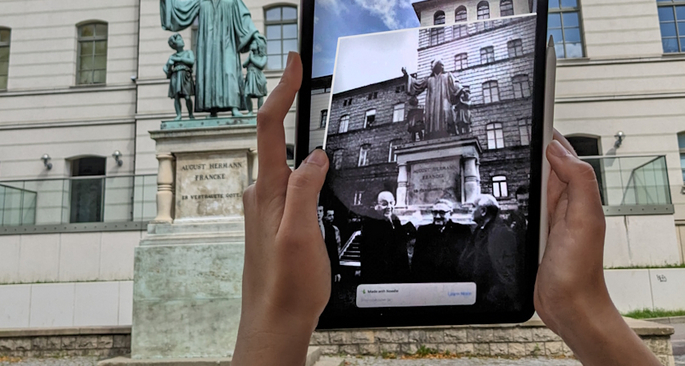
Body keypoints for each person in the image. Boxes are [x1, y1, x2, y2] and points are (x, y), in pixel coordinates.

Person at [232, 52, 662, 366]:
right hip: (429, 123)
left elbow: (460, 93)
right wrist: (408, 77)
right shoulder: (427, 83)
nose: (437, 70)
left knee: (442, 123)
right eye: (435, 68)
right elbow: (414, 89)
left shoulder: (450, 80)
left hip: (447, 121)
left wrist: (272, 333)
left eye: (439, 68)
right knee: (429, 124)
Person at [154, 0, 265, 117]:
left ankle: (234, 107)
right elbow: (180, 8)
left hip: (227, 45)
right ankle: (212, 109)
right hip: (207, 48)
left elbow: (245, 20)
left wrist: (256, 35)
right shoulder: (201, 2)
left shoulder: (232, 0)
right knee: (209, 74)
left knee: (229, 73)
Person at [459, 194, 519, 309]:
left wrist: (490, 298)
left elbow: (507, 274)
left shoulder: (503, 233)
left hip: (492, 302)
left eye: (473, 207)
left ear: (483, 211)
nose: (470, 210)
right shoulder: (479, 231)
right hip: (476, 295)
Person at [358, 191, 414, 283]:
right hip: (379, 275)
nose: (389, 207)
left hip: (396, 273)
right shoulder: (370, 222)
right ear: (377, 205)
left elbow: (400, 241)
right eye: (384, 204)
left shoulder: (395, 219)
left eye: (391, 203)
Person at [412, 199, 472, 282]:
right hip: (429, 281)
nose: (437, 216)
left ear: (450, 213)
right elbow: (416, 260)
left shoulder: (462, 231)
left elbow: (467, 260)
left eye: (442, 213)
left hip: (453, 281)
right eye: (434, 212)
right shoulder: (424, 231)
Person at [406, 59, 463, 139]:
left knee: (446, 115)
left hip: (444, 102)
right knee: (431, 117)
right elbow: (417, 85)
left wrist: (459, 90)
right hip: (431, 106)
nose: (432, 67)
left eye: (434, 65)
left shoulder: (447, 75)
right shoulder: (429, 79)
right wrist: (407, 76)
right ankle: (431, 134)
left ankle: (448, 132)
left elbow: (456, 85)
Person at [163, 34, 195, 121]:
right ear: (175, 44)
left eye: (181, 39)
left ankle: (190, 114)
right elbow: (166, 69)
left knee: (187, 96)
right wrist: (169, 65)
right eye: (179, 40)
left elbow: (191, 61)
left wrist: (179, 59)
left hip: (185, 75)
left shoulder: (188, 52)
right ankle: (179, 115)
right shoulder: (172, 56)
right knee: (176, 96)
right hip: (176, 76)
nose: (182, 41)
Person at [243, 38, 268, 114]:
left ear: (258, 46)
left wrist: (252, 59)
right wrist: (250, 57)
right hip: (250, 77)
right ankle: (250, 111)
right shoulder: (251, 56)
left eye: (253, 43)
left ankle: (259, 112)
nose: (251, 45)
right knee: (246, 95)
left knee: (260, 95)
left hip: (258, 77)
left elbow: (261, 65)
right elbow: (244, 65)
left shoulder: (263, 57)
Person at [317, 206, 341, 283]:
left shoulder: (330, 229)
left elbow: (333, 251)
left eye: (320, 211)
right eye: (316, 211)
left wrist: (336, 271)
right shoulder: (306, 229)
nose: (318, 214)